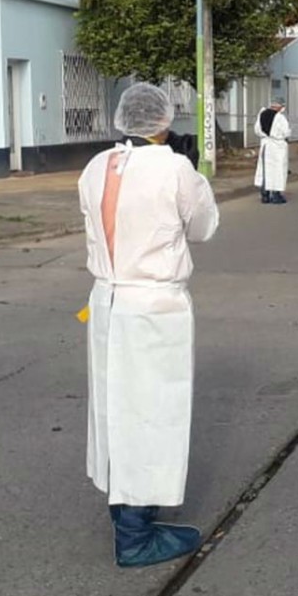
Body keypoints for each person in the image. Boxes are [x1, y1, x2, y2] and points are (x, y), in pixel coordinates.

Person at [77, 82, 220, 569]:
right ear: (165, 120)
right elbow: (203, 228)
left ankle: (126, 511)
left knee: (114, 409)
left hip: (107, 299)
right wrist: (194, 172)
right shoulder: (175, 168)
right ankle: (136, 535)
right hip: (153, 305)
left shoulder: (96, 166)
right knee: (152, 412)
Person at [254, 98, 291, 204]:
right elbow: (285, 132)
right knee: (278, 171)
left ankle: (265, 195)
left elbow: (257, 130)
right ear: (280, 107)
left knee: (265, 170)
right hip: (277, 147)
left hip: (266, 145)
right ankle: (276, 195)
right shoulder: (280, 118)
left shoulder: (261, 114)